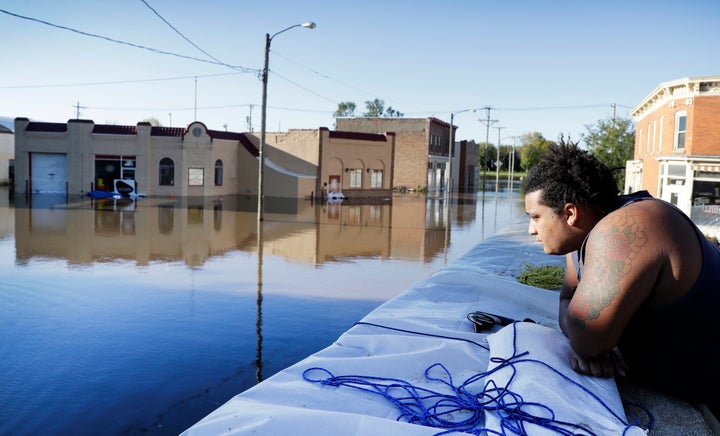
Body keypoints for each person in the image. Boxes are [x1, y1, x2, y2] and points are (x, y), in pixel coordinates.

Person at [522, 142, 719, 416]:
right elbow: (569, 302)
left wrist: (589, 340)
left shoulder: (621, 229)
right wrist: (586, 337)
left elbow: (586, 340)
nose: (531, 230)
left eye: (535, 217)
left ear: (570, 213)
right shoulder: (583, 237)